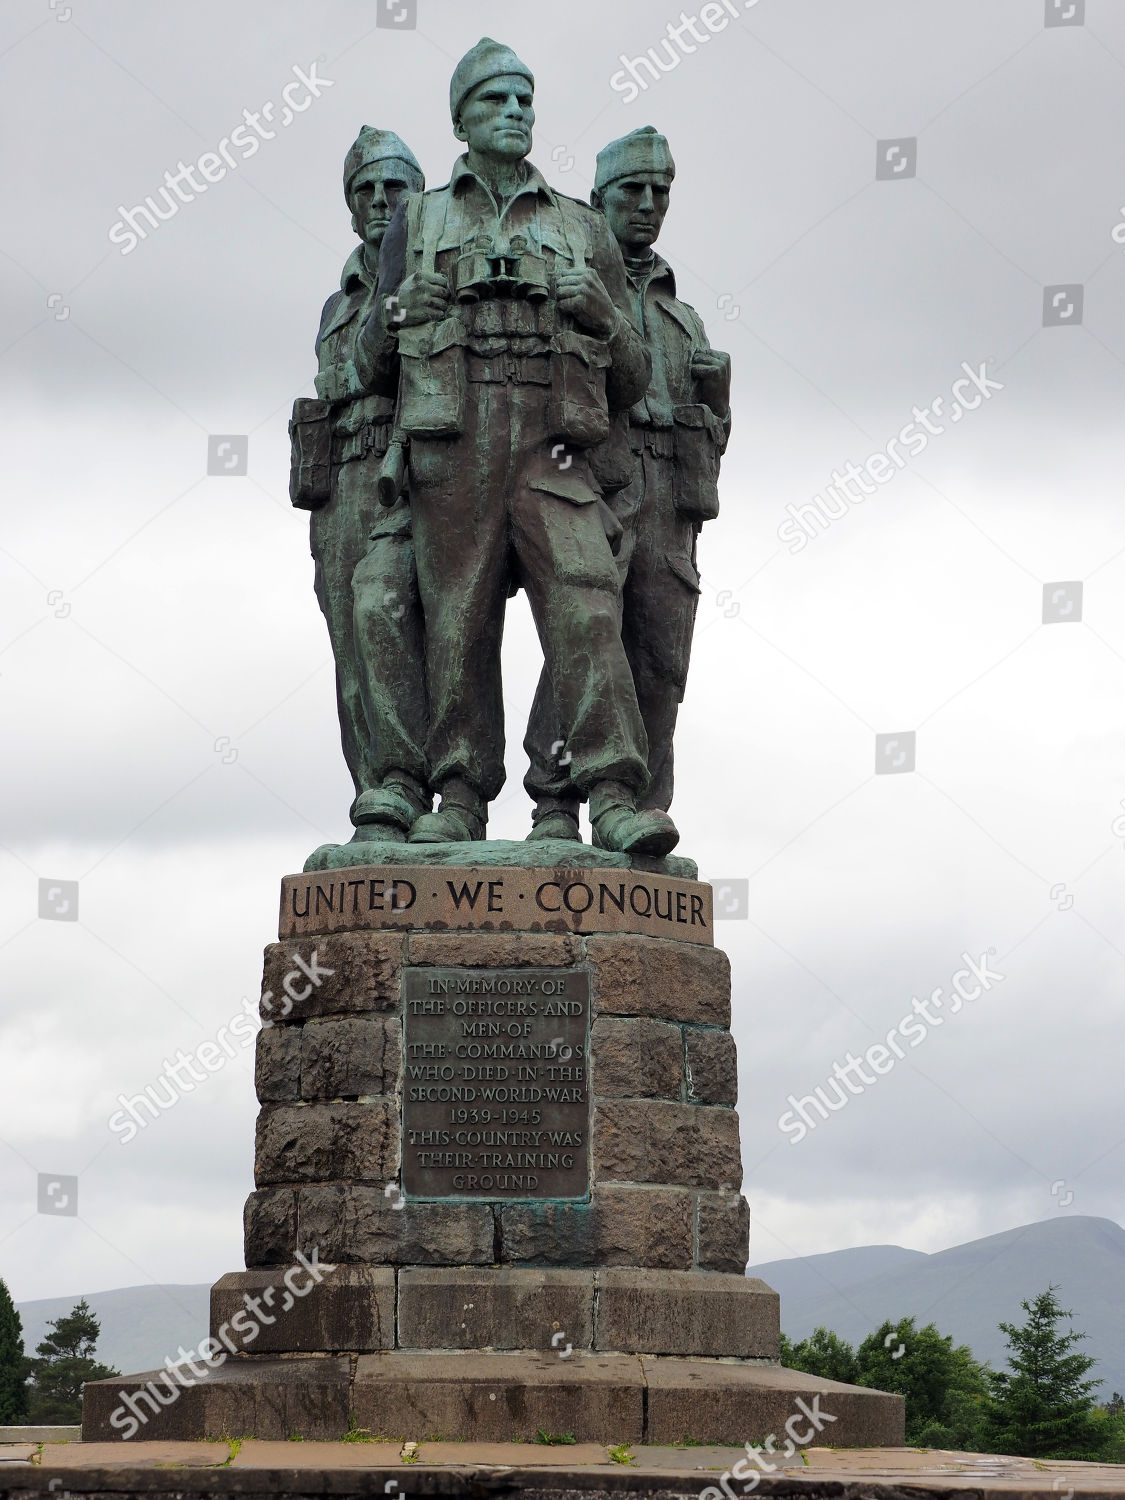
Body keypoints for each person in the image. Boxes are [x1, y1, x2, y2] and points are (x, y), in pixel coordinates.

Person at [355, 40, 679, 856]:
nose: (514, 114)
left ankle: (607, 793)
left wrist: (602, 312)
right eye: (495, 101)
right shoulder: (418, 219)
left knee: (586, 602)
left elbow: (634, 381)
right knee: (457, 623)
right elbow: (368, 363)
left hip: (552, 448)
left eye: (524, 101)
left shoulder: (579, 225)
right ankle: (459, 795)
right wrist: (398, 312)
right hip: (452, 442)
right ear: (460, 118)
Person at [523, 127, 730, 838]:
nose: (646, 205)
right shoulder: (572, 290)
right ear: (599, 200)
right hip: (597, 488)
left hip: (672, 503)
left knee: (661, 664)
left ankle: (645, 809)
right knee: (585, 639)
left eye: (658, 193)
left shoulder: (684, 320)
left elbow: (717, 434)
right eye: (631, 191)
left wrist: (717, 401)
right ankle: (554, 799)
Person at [290, 127, 431, 842]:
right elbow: (338, 380)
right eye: (365, 190)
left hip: (410, 477)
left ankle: (426, 791)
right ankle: (376, 798)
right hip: (339, 479)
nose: (379, 201)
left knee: (407, 632)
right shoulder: (336, 304)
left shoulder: (433, 278)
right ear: (350, 207)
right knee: (352, 655)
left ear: (418, 198)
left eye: (394, 188)